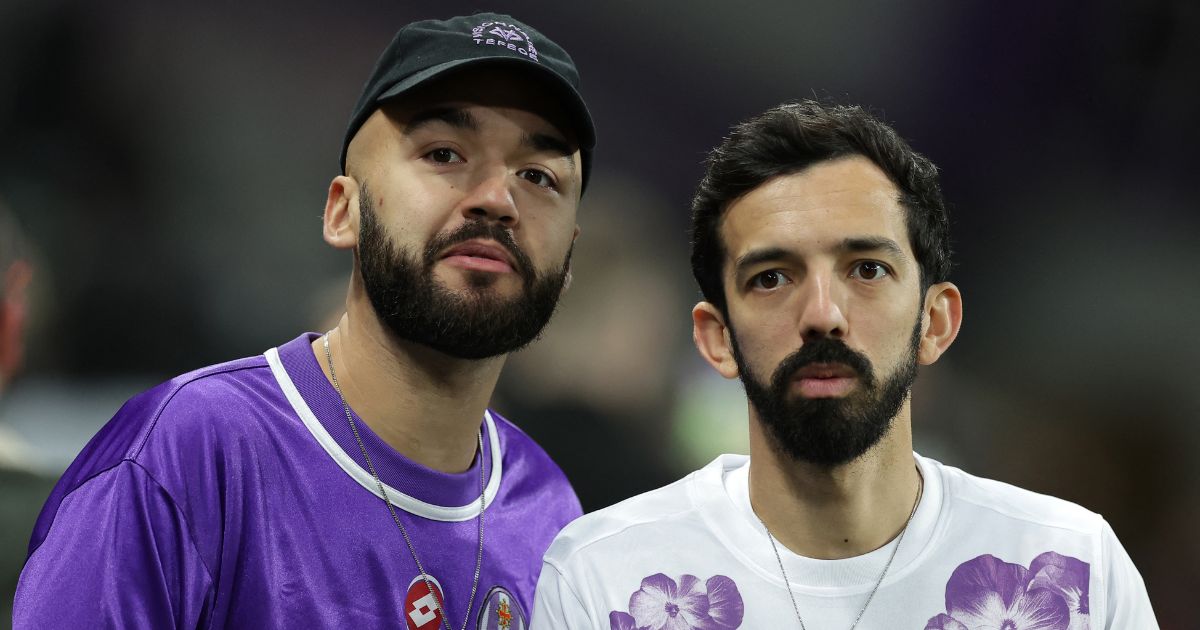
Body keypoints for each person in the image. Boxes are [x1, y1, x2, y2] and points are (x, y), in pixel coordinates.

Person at [15, 12, 594, 629]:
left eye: (537, 176)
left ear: (567, 257)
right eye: (444, 153)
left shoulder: (552, 515)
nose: (498, 200)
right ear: (343, 212)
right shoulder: (187, 452)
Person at [531, 101, 1157, 629]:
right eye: (772, 277)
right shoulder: (602, 578)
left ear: (935, 322)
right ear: (717, 338)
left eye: (867, 269)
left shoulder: (1077, 573)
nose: (823, 315)